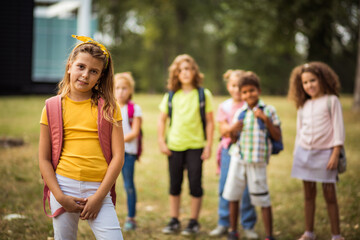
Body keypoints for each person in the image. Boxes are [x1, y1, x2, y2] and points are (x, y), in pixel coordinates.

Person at [39, 35, 124, 240]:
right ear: (70, 66)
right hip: (63, 187)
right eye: (81, 67)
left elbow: (118, 157)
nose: (85, 75)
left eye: (93, 71)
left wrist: (98, 197)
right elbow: (43, 158)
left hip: (99, 189)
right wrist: (59, 196)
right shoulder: (51, 107)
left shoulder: (109, 109)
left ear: (100, 77)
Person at [157, 54, 214, 236]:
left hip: (196, 146)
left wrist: (209, 145)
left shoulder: (203, 94)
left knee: (195, 184)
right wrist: (161, 140)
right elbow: (162, 120)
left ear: (194, 71)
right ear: (176, 74)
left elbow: (210, 122)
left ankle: (193, 221)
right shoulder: (171, 95)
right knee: (175, 185)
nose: (185, 72)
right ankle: (174, 220)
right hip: (174, 146)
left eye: (188, 69)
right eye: (181, 70)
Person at [288, 62, 345, 240]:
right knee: (308, 195)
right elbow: (299, 132)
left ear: (322, 79)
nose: (309, 85)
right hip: (304, 154)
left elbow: (339, 130)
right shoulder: (303, 105)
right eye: (305, 82)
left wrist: (335, 153)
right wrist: (296, 153)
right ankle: (309, 233)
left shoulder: (331, 101)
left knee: (330, 195)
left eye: (313, 80)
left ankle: (336, 235)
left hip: (325, 154)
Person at [223, 70, 281, 240]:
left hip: (258, 161)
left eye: (252, 90)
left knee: (263, 198)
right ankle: (233, 230)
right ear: (241, 94)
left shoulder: (268, 110)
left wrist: (265, 120)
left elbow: (277, 135)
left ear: (259, 91)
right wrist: (233, 130)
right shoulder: (240, 113)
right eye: (245, 92)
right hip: (238, 159)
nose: (249, 94)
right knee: (233, 195)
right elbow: (233, 139)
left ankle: (269, 235)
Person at [210, 70, 258, 239]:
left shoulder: (252, 105)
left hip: (248, 152)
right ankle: (224, 223)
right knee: (225, 187)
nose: (237, 89)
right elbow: (223, 130)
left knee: (246, 189)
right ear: (228, 87)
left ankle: (248, 224)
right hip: (228, 151)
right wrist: (232, 128)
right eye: (233, 85)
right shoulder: (225, 106)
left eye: (240, 86)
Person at [114, 72, 142, 231]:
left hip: (128, 153)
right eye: (117, 88)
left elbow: (134, 133)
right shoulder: (109, 106)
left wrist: (117, 142)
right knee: (108, 185)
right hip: (111, 154)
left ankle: (131, 218)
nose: (120, 92)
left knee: (128, 185)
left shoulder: (135, 109)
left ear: (130, 90)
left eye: (124, 88)